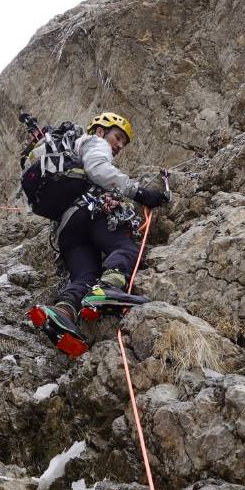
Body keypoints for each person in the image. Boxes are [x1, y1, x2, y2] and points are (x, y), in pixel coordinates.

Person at [39, 112, 169, 343]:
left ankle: (63, 311)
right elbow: (98, 169)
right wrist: (140, 193)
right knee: (125, 247)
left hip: (68, 227)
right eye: (117, 137)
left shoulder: (72, 154)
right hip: (93, 211)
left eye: (123, 143)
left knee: (85, 275)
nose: (119, 145)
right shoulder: (95, 142)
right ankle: (108, 288)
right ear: (100, 131)